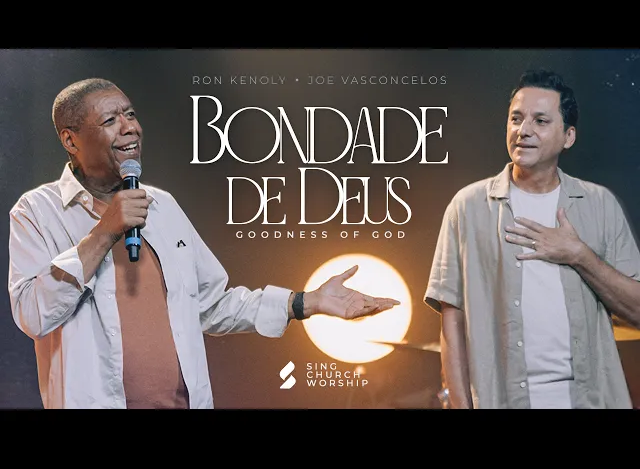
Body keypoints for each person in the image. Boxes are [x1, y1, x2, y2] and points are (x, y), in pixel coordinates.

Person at [7, 78, 400, 409]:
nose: (130, 128)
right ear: (71, 140)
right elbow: (32, 314)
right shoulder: (37, 211)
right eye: (110, 120)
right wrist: (104, 232)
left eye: (130, 114)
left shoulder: (163, 206)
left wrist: (305, 302)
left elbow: (211, 305)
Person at [424, 68, 640, 409]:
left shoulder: (599, 204)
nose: (523, 130)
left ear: (568, 136)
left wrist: (579, 255)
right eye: (516, 118)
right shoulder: (468, 207)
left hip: (589, 400)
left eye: (540, 121)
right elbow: (452, 322)